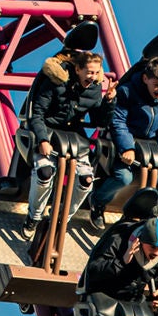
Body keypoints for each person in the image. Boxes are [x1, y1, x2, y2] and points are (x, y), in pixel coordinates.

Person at [21, 45, 107, 229]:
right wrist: (43, 139)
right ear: (78, 69)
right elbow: (37, 113)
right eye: (89, 72)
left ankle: (62, 216)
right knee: (45, 173)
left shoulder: (94, 89)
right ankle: (34, 216)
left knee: (86, 180)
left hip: (74, 136)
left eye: (96, 73)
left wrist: (110, 102)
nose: (92, 77)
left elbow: (100, 119)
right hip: (49, 131)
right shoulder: (56, 81)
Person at [92, 55, 158, 215]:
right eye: (156, 85)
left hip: (151, 149)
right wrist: (127, 148)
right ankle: (97, 202)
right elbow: (118, 122)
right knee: (123, 177)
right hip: (128, 143)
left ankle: (137, 210)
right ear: (145, 79)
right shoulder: (128, 92)